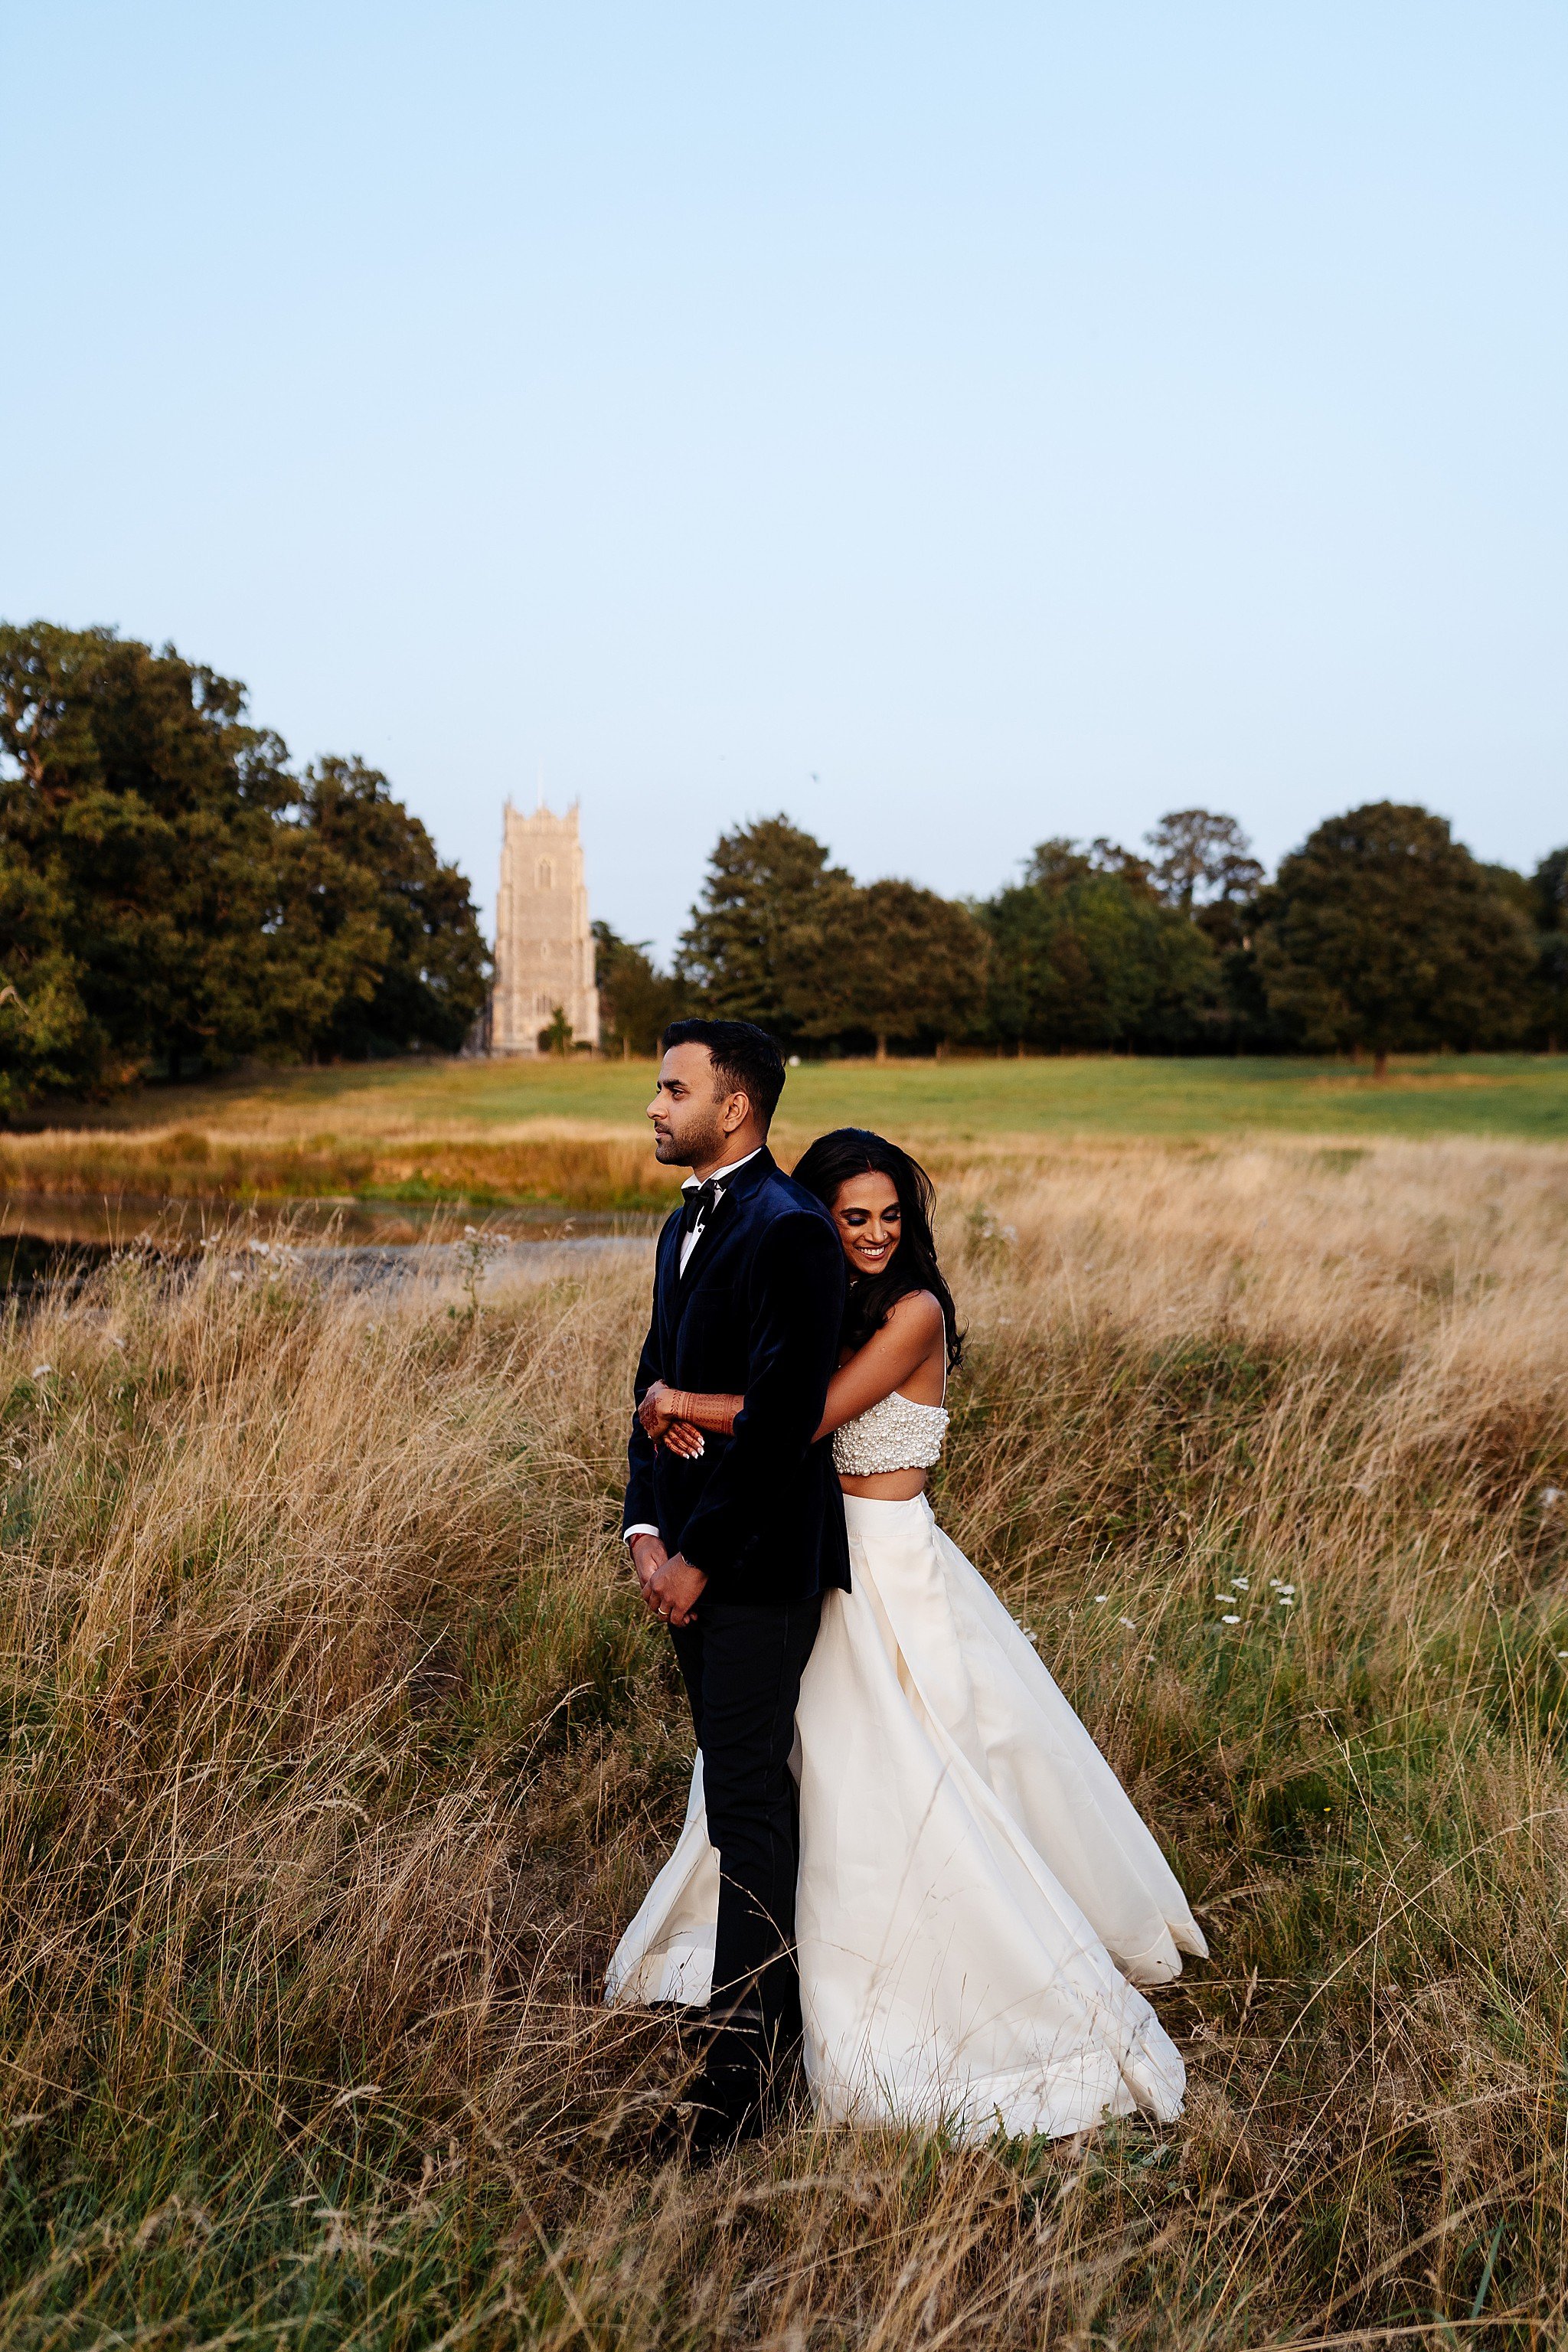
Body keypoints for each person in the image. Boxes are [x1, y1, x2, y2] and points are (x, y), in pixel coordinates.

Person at [609, 1126, 1207, 2147]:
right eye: (854, 1218)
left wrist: (681, 1402)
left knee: (913, 1780)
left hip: (886, 1564)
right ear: (816, 1221)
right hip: (806, 1558)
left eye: (892, 1217)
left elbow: (800, 1417)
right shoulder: (805, 1299)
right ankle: (766, 1982)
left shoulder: (915, 1313)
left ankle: (931, 1992)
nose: (877, 1235)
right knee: (785, 1774)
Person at [618, 1019, 849, 2163]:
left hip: (756, 1571)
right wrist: (645, 1531)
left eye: (674, 1089)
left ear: (737, 1106)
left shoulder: (791, 1231)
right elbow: (650, 1384)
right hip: (684, 1563)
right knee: (735, 1790)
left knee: (751, 1803)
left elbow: (781, 1425)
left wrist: (703, 1557)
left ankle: (746, 2083)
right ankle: (753, 2020)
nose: (655, 1106)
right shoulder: (683, 1221)